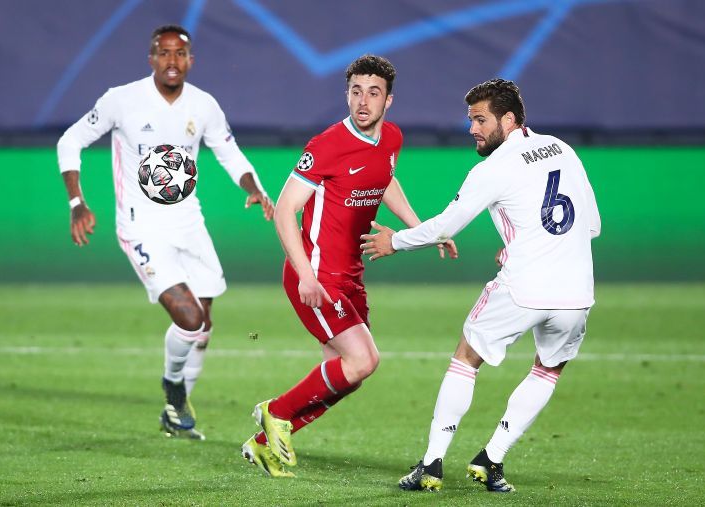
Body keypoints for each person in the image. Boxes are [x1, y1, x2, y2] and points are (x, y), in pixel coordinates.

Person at [361, 78, 601, 492]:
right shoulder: (563, 149)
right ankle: (492, 459)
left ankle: (432, 465)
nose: (472, 128)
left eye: (480, 119)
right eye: (470, 119)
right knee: (548, 369)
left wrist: (395, 241)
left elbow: (446, 225)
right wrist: (521, 242)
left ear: (508, 120)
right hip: (576, 292)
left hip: (525, 286)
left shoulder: (493, 168)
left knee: (466, 357)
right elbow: (592, 224)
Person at [240, 55, 457, 478]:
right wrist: (304, 275)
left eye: (373, 92)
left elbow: (385, 178)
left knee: (346, 375)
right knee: (363, 361)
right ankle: (274, 412)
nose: (363, 101)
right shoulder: (325, 146)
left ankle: (265, 443)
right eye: (356, 91)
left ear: (388, 100)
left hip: (351, 275)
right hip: (317, 275)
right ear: (347, 94)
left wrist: (424, 230)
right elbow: (286, 212)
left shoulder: (391, 138)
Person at [56, 24, 274, 441]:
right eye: (163, 52)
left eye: (180, 54)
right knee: (189, 319)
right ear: (151, 58)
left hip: (189, 223)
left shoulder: (204, 105)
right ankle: (173, 387)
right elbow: (70, 141)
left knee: (204, 326)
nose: (172, 61)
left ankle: (174, 416)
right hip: (142, 226)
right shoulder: (122, 100)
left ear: (191, 61)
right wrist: (77, 202)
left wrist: (255, 190)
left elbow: (229, 152)